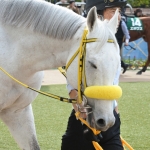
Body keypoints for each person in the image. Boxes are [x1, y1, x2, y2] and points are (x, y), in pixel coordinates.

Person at [61, 0, 127, 150]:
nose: (118, 15)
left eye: (119, 11)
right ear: (98, 14)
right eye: (113, 11)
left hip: (109, 116)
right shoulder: (83, 46)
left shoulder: (111, 46)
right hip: (84, 120)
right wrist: (82, 115)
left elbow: (113, 84)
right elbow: (72, 87)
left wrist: (115, 115)